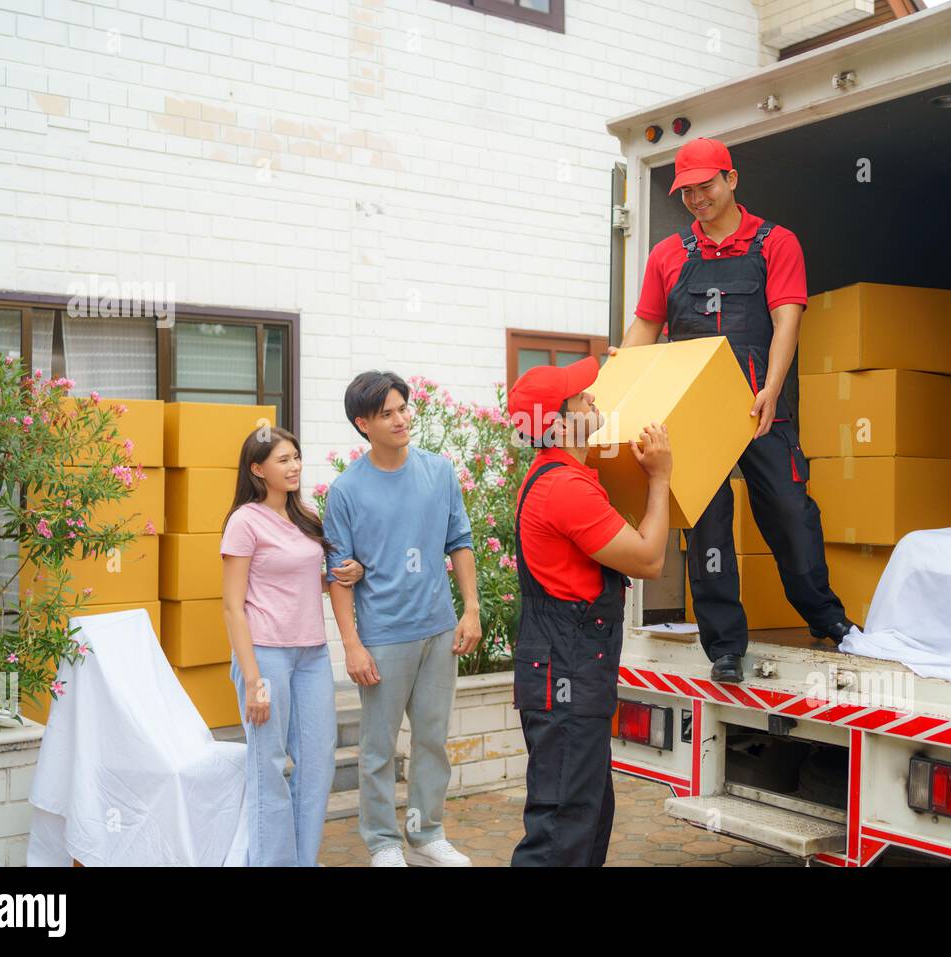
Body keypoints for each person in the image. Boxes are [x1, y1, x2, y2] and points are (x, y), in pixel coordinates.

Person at [617, 136, 856, 684]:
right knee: (707, 526)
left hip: (760, 406)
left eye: (705, 185)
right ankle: (724, 646)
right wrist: (620, 384)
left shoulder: (777, 243)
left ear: (731, 179)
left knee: (791, 515)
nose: (696, 198)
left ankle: (826, 617)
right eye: (687, 191)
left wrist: (771, 389)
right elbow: (646, 326)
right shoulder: (669, 254)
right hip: (695, 416)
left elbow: (787, 318)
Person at [506, 356, 672, 867]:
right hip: (567, 677)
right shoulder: (565, 489)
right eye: (581, 398)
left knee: (587, 817)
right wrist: (661, 479)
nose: (593, 398)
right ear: (556, 424)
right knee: (560, 832)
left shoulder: (565, 475)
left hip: (572, 673)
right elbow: (648, 558)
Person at [322, 371, 480, 867]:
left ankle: (426, 832)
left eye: (403, 409)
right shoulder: (346, 490)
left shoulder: (439, 472)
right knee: (378, 749)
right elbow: (338, 575)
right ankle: (383, 843)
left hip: (438, 628)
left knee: (432, 742)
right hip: (384, 637)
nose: (400, 419)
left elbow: (460, 543)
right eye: (387, 413)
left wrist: (471, 610)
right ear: (363, 424)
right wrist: (351, 644)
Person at [221, 425, 347, 867]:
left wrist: (342, 576)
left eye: (296, 457)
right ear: (257, 469)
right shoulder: (244, 522)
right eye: (283, 460)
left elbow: (300, 579)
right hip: (266, 655)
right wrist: (253, 679)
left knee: (317, 765)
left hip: (312, 654)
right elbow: (233, 607)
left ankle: (301, 861)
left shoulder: (305, 517)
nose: (294, 466)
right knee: (268, 766)